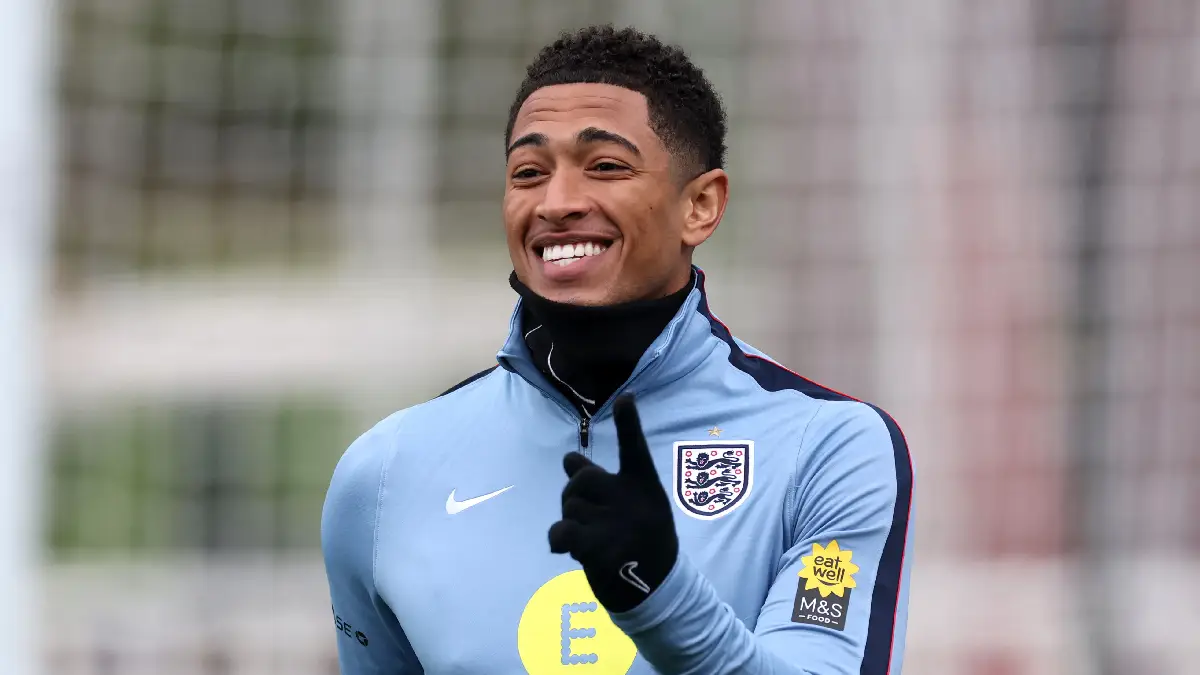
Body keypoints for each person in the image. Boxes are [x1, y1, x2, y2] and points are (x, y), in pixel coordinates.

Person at [322, 24, 914, 675]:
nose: (558, 203)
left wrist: (660, 595)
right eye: (528, 172)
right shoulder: (384, 474)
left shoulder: (827, 446)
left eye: (605, 166)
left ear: (702, 205)